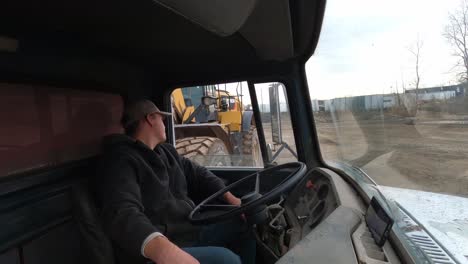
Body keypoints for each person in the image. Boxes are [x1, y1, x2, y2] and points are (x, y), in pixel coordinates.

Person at [97, 99, 255, 264]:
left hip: (189, 229)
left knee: (245, 222)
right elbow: (123, 212)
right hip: (161, 247)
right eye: (162, 119)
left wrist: (233, 200)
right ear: (151, 118)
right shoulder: (121, 160)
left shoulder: (166, 152)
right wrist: (165, 252)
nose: (165, 124)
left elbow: (200, 174)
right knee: (227, 260)